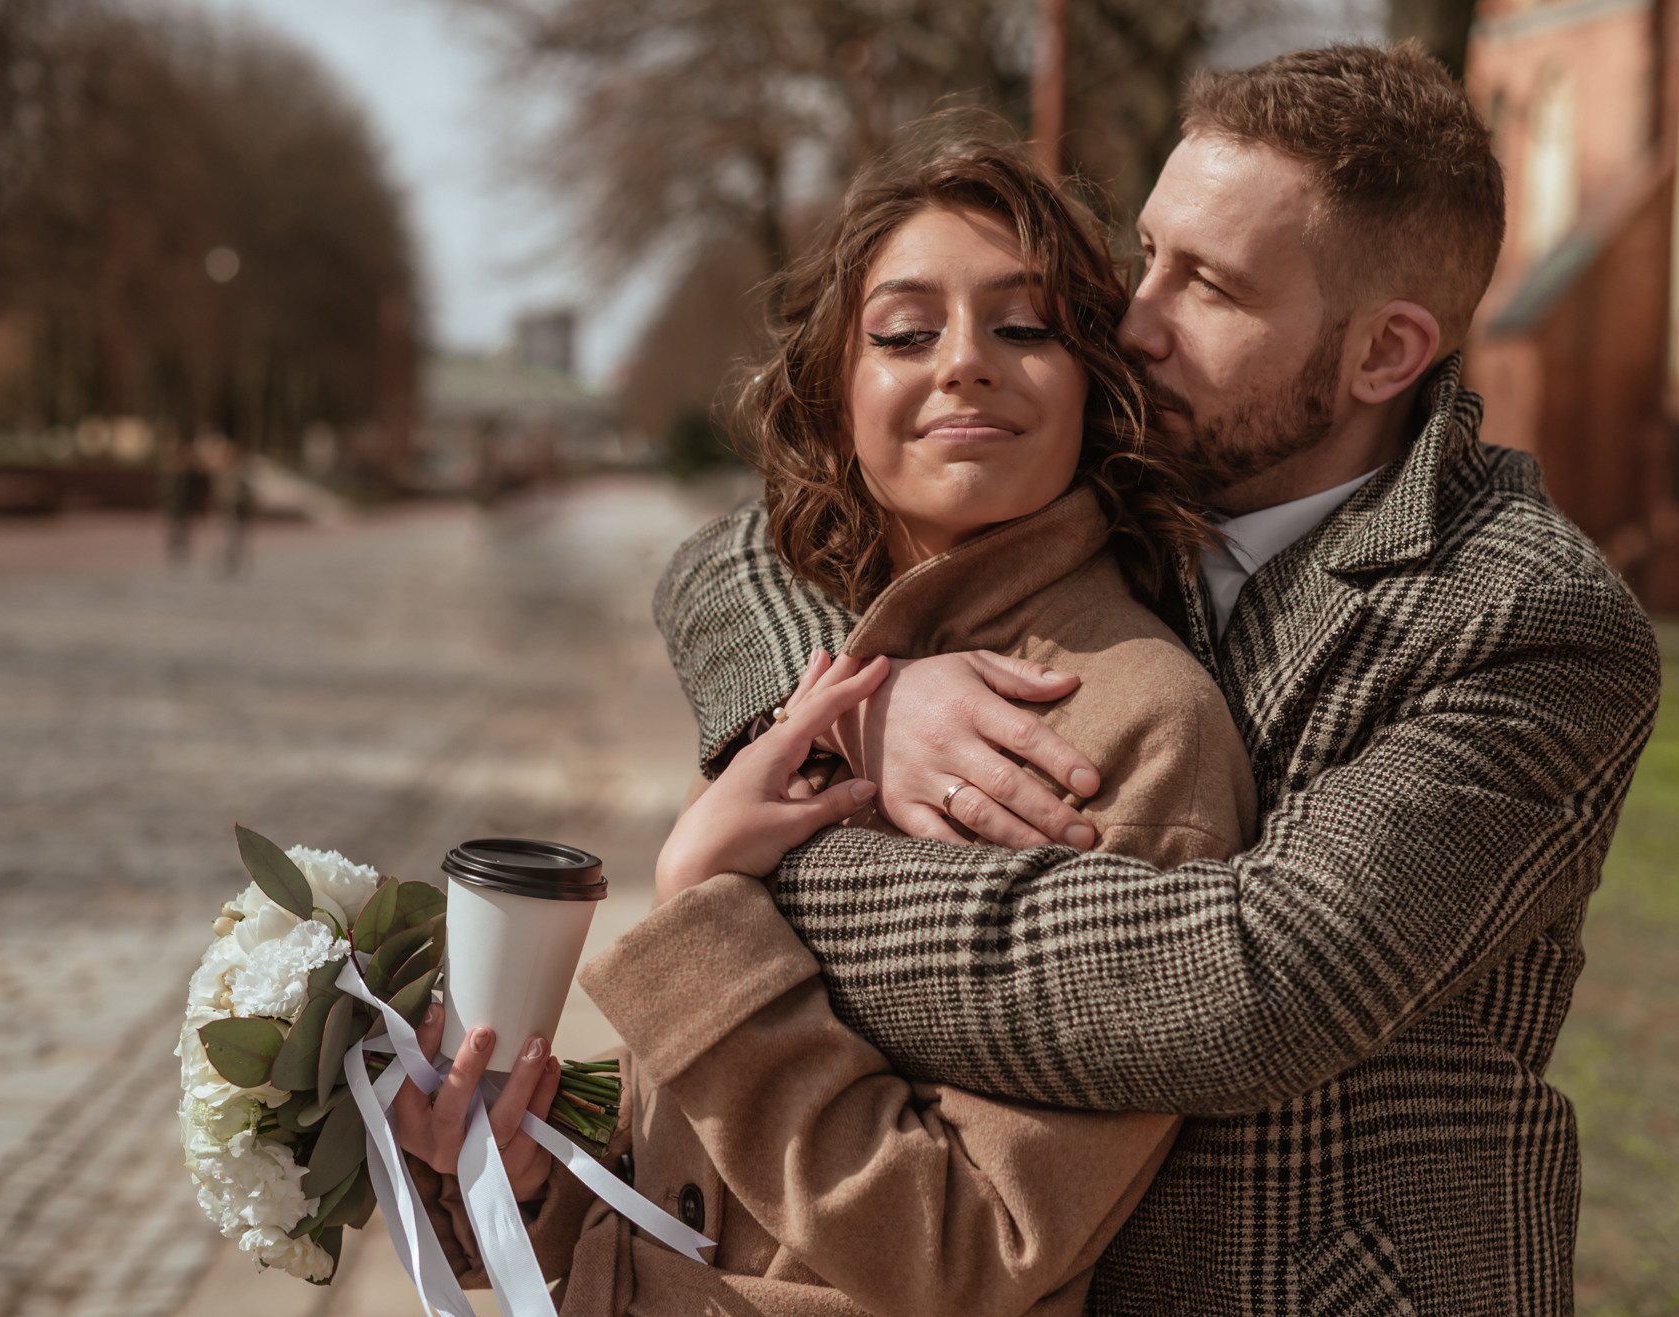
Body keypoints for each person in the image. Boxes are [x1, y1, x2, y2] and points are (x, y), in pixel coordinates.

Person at [650, 44, 1661, 1314]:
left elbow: (1259, 988)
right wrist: (859, 706)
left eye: (1211, 287)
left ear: (1383, 354)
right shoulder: (1131, 457)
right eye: (1150, 254)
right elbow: (740, 547)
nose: (1133, 318)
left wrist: (758, 874)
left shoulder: (1530, 619)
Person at [394, 132, 1257, 1315]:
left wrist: (701, 904)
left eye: (1024, 327)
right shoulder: (821, 669)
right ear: (837, 395)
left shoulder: (1137, 721)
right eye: (904, 334)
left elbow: (976, 1253)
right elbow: (715, 1188)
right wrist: (530, 1177)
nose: (964, 365)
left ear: (1096, 388)